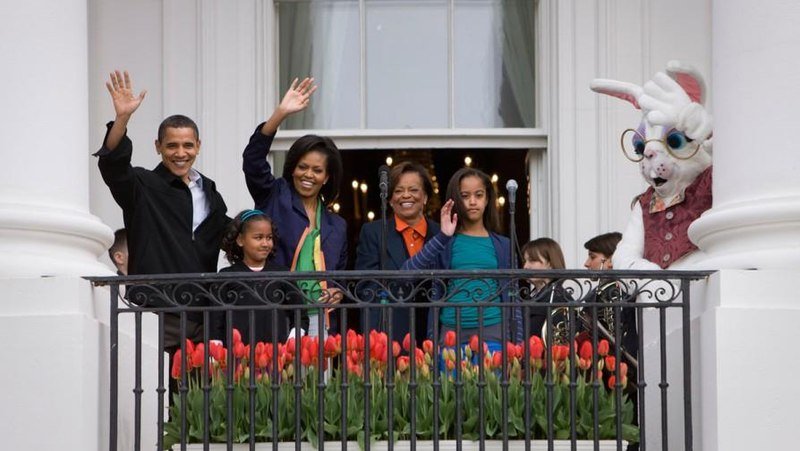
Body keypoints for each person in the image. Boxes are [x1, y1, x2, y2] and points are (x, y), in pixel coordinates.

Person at [95, 70, 229, 346]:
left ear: (198, 146)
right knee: (155, 389)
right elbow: (113, 167)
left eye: (188, 145)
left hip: (203, 314)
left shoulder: (209, 192)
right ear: (158, 147)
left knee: (199, 390)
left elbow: (234, 235)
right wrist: (122, 119)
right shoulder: (142, 185)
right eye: (172, 145)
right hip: (156, 310)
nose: (181, 153)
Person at [242, 78, 346, 337]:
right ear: (292, 168)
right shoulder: (275, 195)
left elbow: (341, 271)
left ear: (327, 177)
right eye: (302, 166)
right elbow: (253, 161)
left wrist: (338, 289)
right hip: (278, 311)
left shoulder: (337, 224)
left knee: (317, 379)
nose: (308, 174)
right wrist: (280, 115)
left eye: (317, 170)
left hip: (319, 317)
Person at [401, 167, 522, 349]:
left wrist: (518, 345)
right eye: (465, 196)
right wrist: (442, 237)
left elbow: (515, 298)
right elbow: (406, 274)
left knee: (492, 379)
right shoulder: (446, 242)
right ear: (456, 200)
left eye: (479, 195)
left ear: (487, 198)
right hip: (451, 331)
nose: (472, 202)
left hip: (493, 330)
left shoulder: (503, 245)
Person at [355, 161, 441, 342]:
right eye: (399, 190)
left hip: (435, 333)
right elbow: (366, 288)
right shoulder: (373, 233)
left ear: (425, 197)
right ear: (390, 199)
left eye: (414, 190)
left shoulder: (442, 234)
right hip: (391, 334)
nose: (406, 195)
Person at [213, 210, 293, 344]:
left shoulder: (282, 274)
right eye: (258, 237)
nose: (265, 243)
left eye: (269, 238)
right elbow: (216, 319)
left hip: (275, 357)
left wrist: (292, 342)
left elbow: (300, 316)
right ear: (240, 240)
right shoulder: (226, 276)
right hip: (237, 358)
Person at [582, 232, 638, 363]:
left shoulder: (628, 290)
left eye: (592, 257)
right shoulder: (593, 295)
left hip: (623, 364)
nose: (586, 263)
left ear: (611, 260)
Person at [521, 238, 575, 343]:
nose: (525, 266)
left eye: (532, 260)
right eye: (525, 261)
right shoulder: (533, 296)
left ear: (550, 264)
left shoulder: (559, 298)